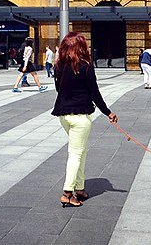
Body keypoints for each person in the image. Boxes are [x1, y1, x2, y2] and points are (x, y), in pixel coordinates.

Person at [51, 32, 117, 208]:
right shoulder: (86, 66)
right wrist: (108, 112)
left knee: (82, 150)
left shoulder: (59, 66)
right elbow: (94, 92)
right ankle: (67, 192)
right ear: (81, 47)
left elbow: (59, 89)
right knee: (76, 154)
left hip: (64, 115)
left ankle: (79, 187)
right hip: (80, 117)